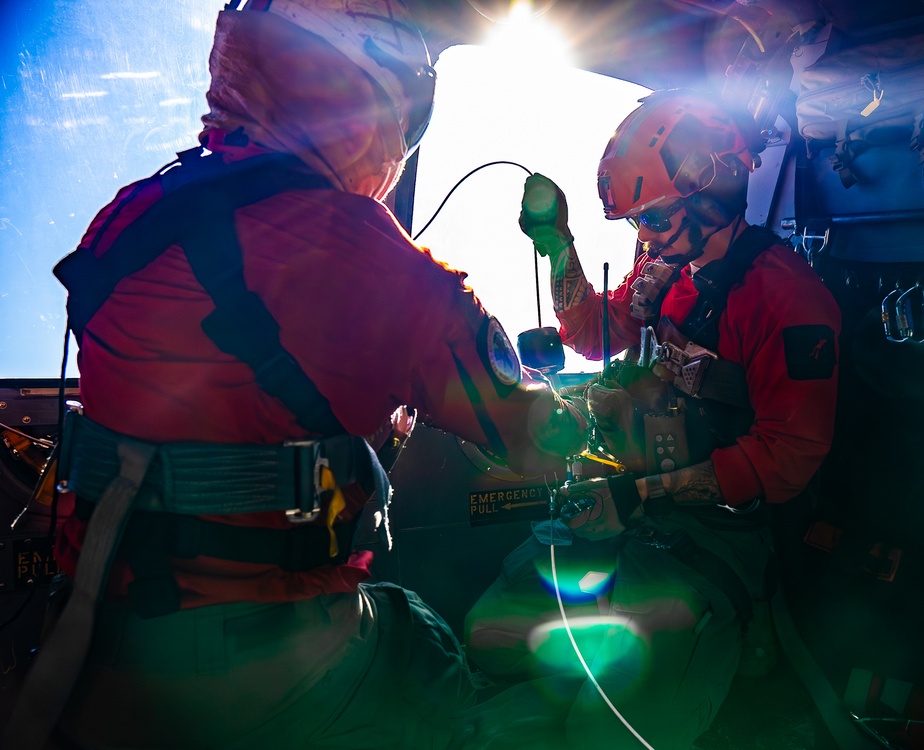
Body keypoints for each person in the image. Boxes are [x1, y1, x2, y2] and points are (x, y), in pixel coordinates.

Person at [1, 2, 588, 749]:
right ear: (367, 89)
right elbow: (530, 440)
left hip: (95, 639)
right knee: (423, 638)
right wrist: (571, 423)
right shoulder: (368, 251)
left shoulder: (126, 214)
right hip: (262, 662)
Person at [464, 89, 842, 749]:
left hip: (716, 538)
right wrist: (557, 242)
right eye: (637, 221)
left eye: (656, 216)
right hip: (629, 510)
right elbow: (591, 331)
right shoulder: (664, 268)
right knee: (484, 637)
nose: (643, 236)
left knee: (601, 732)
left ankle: (720, 646)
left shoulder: (791, 301)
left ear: (715, 188)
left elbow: (783, 463)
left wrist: (639, 496)